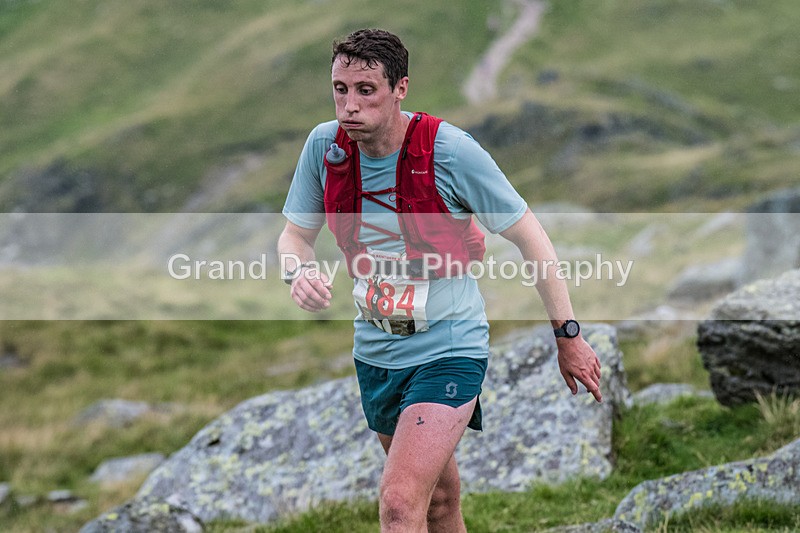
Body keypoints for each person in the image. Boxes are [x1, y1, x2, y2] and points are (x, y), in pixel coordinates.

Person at [278, 28, 602, 533]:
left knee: (399, 503)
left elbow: (531, 237)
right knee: (440, 502)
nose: (349, 105)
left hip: (449, 347)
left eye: (366, 90)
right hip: (376, 355)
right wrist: (297, 271)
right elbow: (294, 236)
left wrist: (568, 335)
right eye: (340, 89)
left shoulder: (450, 151)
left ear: (400, 88)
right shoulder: (324, 147)